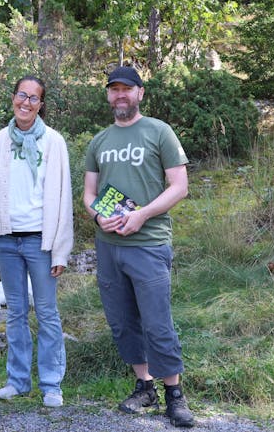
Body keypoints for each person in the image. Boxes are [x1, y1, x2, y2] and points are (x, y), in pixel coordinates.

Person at [82, 65, 195, 428]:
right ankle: (144, 386)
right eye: (114, 89)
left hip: (148, 244)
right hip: (108, 246)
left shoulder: (159, 132)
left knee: (157, 322)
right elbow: (89, 195)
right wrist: (98, 217)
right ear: (108, 95)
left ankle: (174, 396)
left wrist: (142, 215)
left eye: (126, 89)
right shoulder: (99, 141)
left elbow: (179, 186)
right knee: (122, 322)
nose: (120, 95)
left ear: (140, 93)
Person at [0, 76, 73, 408]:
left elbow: (63, 197)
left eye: (34, 98)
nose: (27, 102)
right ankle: (18, 381)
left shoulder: (54, 142)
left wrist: (60, 248)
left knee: (47, 312)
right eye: (22, 95)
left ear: (41, 104)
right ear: (13, 98)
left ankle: (51, 384)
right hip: (6, 239)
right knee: (16, 313)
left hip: (41, 241)